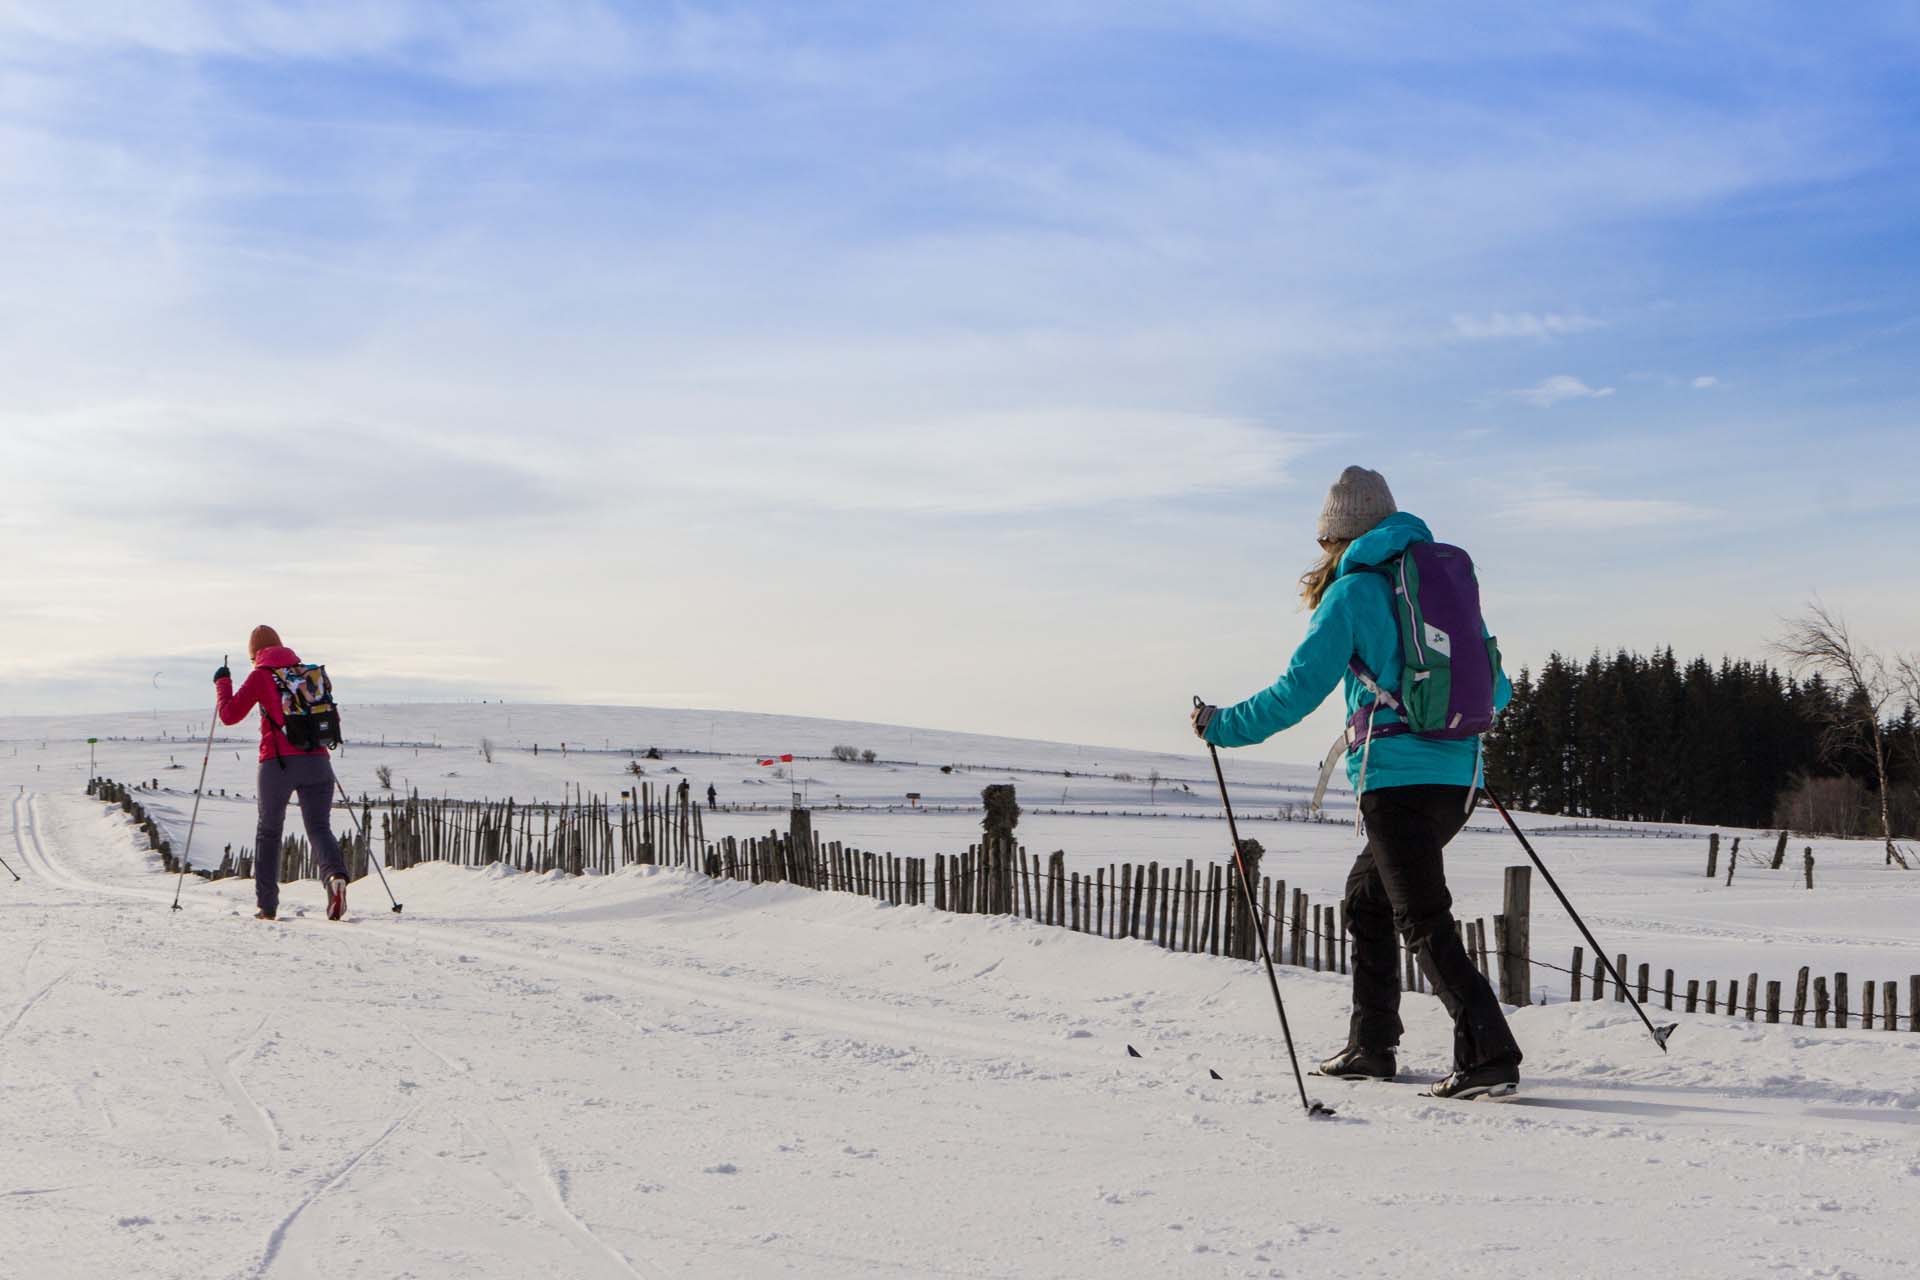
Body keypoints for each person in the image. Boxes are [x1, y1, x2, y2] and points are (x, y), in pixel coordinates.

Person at [1191, 467, 1521, 1100]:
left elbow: (1296, 692)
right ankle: (1373, 1044)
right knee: (1366, 898)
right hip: (1459, 780)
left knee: (1422, 918)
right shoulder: (1439, 584)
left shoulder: (1354, 593)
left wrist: (1222, 726)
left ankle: (1489, 1054)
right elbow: (1498, 687)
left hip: (1396, 782)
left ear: (1336, 536)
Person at [215, 625, 350, 922]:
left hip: (278, 763)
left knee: (269, 831)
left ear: (254, 654)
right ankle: (335, 878)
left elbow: (229, 715)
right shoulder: (308, 675)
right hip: (318, 761)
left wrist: (223, 683)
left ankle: (267, 906)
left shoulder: (261, 676)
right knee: (319, 827)